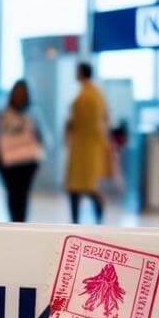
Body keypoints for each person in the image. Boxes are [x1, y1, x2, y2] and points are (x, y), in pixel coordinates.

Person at [64, 62, 110, 224]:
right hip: (92, 146)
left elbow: (76, 122)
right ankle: (97, 219)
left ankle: (79, 221)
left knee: (79, 187)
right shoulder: (97, 94)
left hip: (84, 146)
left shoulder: (85, 96)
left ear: (81, 73)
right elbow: (106, 118)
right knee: (87, 185)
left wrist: (69, 128)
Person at [0, 79, 47, 223]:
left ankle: (20, 221)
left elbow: (44, 136)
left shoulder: (33, 112)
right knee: (13, 193)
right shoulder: (3, 113)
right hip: (8, 160)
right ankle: (15, 221)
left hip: (27, 161)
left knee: (22, 194)